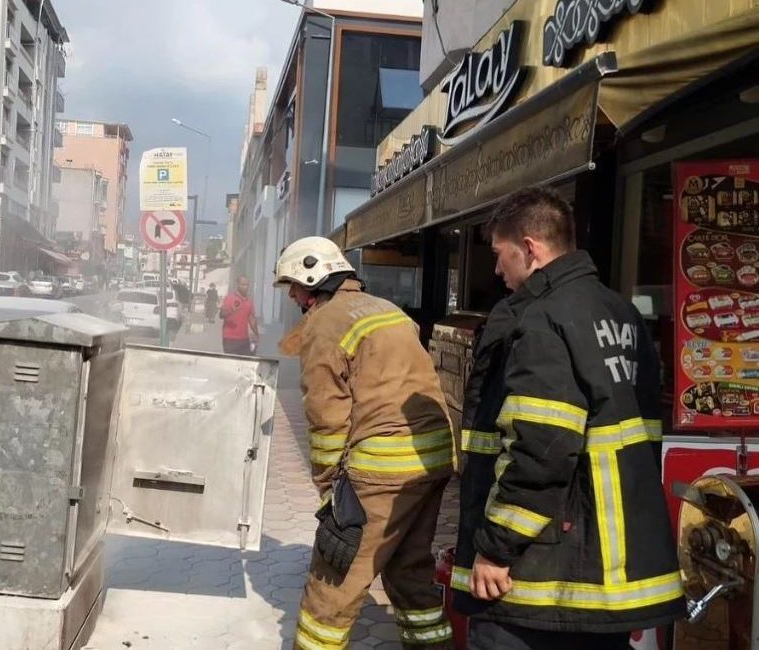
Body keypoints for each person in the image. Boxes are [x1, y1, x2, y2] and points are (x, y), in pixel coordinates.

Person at [452, 187, 683, 650]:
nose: (496, 269)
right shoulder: (620, 313)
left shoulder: (541, 319)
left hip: (542, 577)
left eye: (501, 254)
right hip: (606, 572)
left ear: (531, 249)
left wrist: (495, 548)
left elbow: (542, 450)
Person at [274, 237, 454, 650]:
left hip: (381, 471)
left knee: (332, 583)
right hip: (434, 461)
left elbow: (326, 415)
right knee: (409, 573)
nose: (293, 297)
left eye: (295, 287)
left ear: (313, 277)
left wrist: (331, 493)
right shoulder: (388, 309)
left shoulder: (325, 323)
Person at [219, 276, 258, 355]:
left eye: (247, 285)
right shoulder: (229, 298)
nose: (245, 287)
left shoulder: (249, 301)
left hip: (244, 339)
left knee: (246, 363)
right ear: (238, 285)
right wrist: (231, 310)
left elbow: (252, 319)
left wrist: (256, 334)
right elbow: (221, 315)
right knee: (232, 364)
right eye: (243, 284)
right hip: (230, 339)